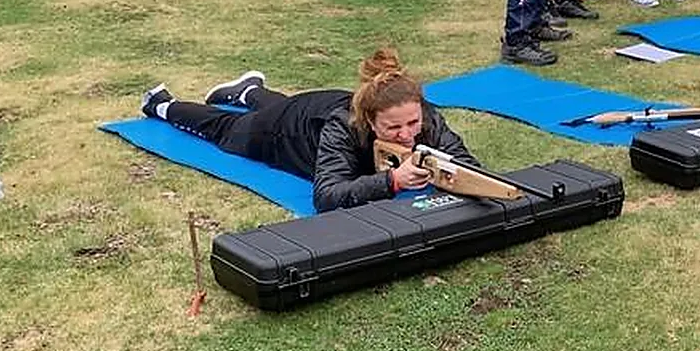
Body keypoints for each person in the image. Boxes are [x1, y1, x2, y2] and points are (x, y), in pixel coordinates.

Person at [138, 50, 478, 214]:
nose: (407, 134)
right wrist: (393, 182)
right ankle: (161, 104)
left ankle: (246, 91)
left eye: (412, 124)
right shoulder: (342, 130)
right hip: (285, 130)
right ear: (370, 121)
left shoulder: (424, 116)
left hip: (310, 106)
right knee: (225, 130)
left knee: (276, 105)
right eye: (394, 127)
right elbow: (327, 196)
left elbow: (465, 163)